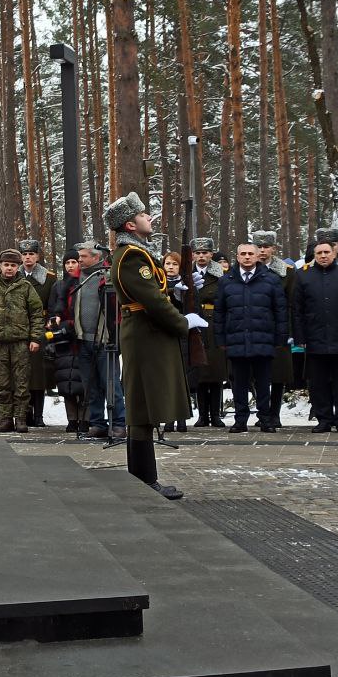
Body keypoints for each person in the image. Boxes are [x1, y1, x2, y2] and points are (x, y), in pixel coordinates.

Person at [105, 193, 197, 499]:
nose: (150, 218)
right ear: (131, 224)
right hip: (145, 334)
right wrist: (183, 322)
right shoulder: (131, 255)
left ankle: (143, 478)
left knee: (143, 406)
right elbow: (152, 300)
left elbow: (155, 292)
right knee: (142, 406)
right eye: (144, 215)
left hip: (148, 333)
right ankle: (144, 480)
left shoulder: (136, 252)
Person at [215, 242, 288, 432]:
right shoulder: (226, 280)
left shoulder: (271, 280)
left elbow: (280, 311)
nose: (247, 257)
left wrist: (280, 337)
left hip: (263, 339)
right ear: (237, 257)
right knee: (239, 383)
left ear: (257, 257)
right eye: (243, 254)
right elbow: (219, 313)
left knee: (263, 383)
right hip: (236, 339)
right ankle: (240, 420)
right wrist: (221, 339)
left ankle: (265, 418)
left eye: (250, 254)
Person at [293, 238, 338, 433]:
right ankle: (323, 418)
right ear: (314, 256)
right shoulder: (302, 276)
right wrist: (300, 338)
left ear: (334, 254)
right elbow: (297, 310)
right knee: (318, 381)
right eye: (319, 253)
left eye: (326, 253)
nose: (323, 256)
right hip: (314, 337)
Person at [0, 250, 44, 434]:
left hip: (20, 342)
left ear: (17, 266)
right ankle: (4, 418)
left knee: (22, 381)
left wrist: (36, 337)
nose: (9, 268)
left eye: (13, 265)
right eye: (6, 265)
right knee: (0, 382)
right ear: (0, 265)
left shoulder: (26, 287)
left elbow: (36, 313)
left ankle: (21, 418)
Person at [74, 240, 125, 440]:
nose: (79, 261)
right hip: (83, 341)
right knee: (91, 385)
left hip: (105, 340)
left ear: (96, 257)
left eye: (83, 257)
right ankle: (97, 422)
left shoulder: (109, 277)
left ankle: (119, 423)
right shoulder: (76, 279)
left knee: (111, 384)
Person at [252, 231, 296, 430]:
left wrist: (290, 331)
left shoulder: (286, 271)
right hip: (255, 327)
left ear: (273, 249)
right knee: (256, 373)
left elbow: (293, 302)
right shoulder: (248, 269)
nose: (262, 251)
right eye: (259, 247)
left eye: (266, 247)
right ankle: (263, 412)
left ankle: (275, 413)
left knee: (278, 373)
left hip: (278, 327)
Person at [189, 237, 227, 428]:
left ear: (212, 254)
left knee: (216, 371)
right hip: (196, 322)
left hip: (215, 324)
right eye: (198, 253)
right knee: (201, 372)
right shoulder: (188, 274)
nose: (201, 256)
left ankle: (216, 414)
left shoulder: (221, 275)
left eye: (205, 253)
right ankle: (202, 415)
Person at [17, 239, 56, 428]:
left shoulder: (49, 278)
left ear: (38, 256)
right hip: (18, 328)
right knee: (21, 373)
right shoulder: (15, 277)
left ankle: (38, 414)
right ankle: (25, 413)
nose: (27, 257)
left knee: (38, 373)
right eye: (24, 254)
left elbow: (53, 304)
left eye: (31, 254)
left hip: (40, 326)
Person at [48, 252, 85, 433]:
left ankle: (85, 418)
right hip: (64, 339)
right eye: (67, 263)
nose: (70, 266)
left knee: (83, 380)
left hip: (81, 338)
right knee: (66, 381)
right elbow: (52, 312)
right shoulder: (58, 286)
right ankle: (72, 419)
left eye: (74, 262)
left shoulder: (85, 283)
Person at [162, 251, 196, 432]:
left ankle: (182, 417)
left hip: (182, 333)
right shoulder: (158, 284)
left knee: (182, 378)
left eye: (175, 264)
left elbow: (193, 307)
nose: (171, 267)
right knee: (167, 378)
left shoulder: (187, 284)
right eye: (168, 264)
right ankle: (169, 417)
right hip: (164, 334)